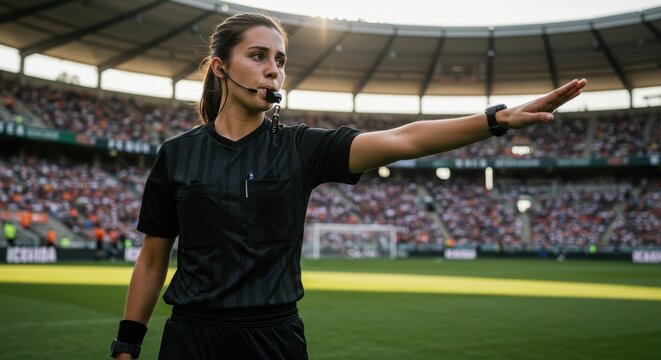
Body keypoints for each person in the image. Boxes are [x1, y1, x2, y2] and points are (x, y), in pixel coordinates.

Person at [110, 12, 587, 360]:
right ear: (220, 67)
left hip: (274, 339)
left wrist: (495, 119)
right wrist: (127, 342)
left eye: (279, 59)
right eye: (257, 56)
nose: (273, 69)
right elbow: (153, 260)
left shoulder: (301, 148)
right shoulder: (177, 152)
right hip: (190, 338)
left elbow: (403, 138)